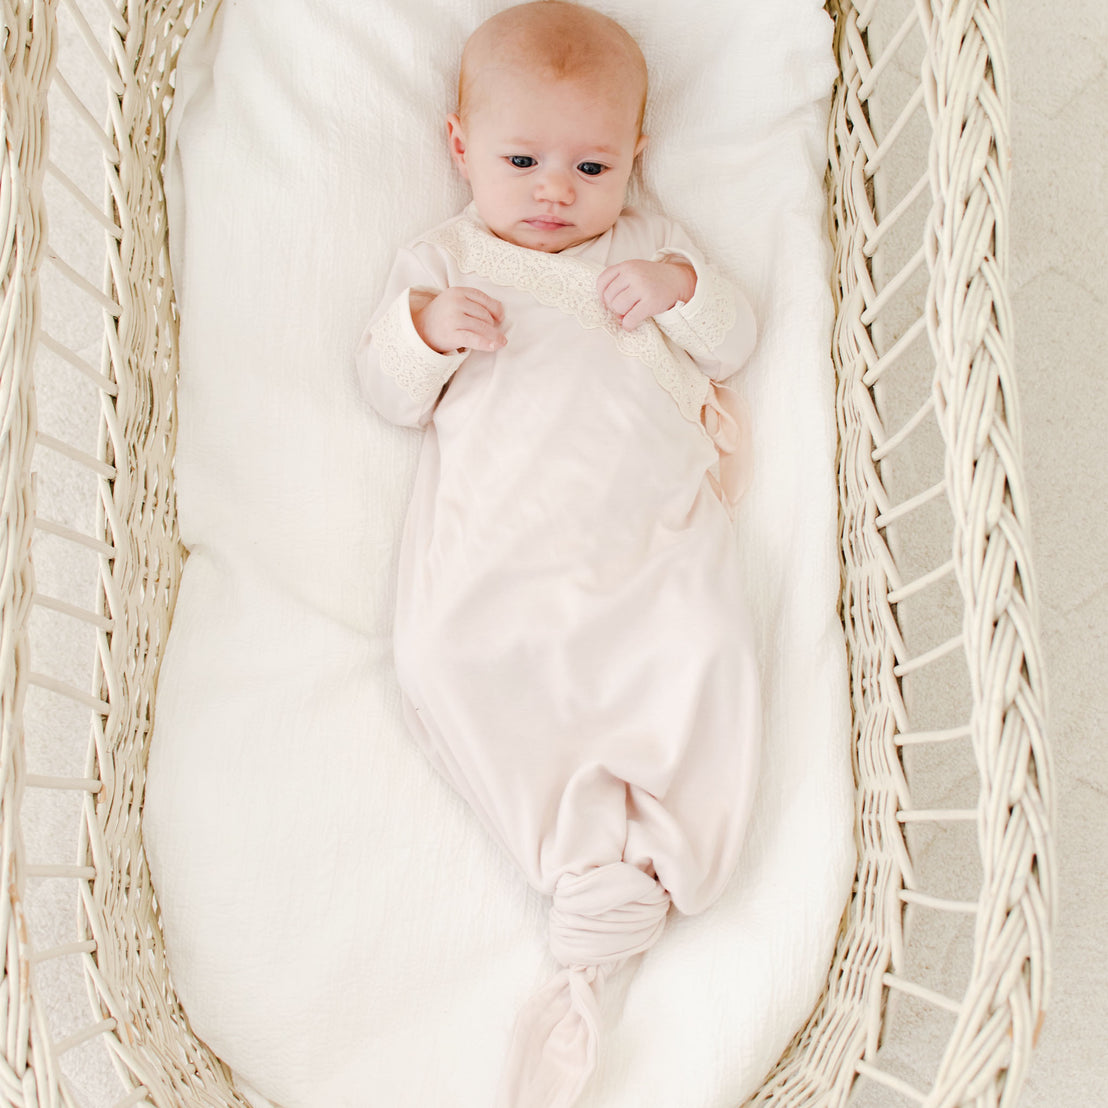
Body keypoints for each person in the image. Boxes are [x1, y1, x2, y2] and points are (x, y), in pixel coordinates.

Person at [357, 3, 761, 1104]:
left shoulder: (647, 246)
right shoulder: (444, 260)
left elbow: (734, 339)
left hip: (648, 537)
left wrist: (682, 294)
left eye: (590, 164)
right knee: (441, 652)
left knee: (705, 648)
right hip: (500, 546)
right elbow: (386, 392)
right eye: (522, 159)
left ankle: (673, 847)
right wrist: (430, 329)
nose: (553, 191)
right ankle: (578, 856)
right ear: (459, 149)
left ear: (634, 157)